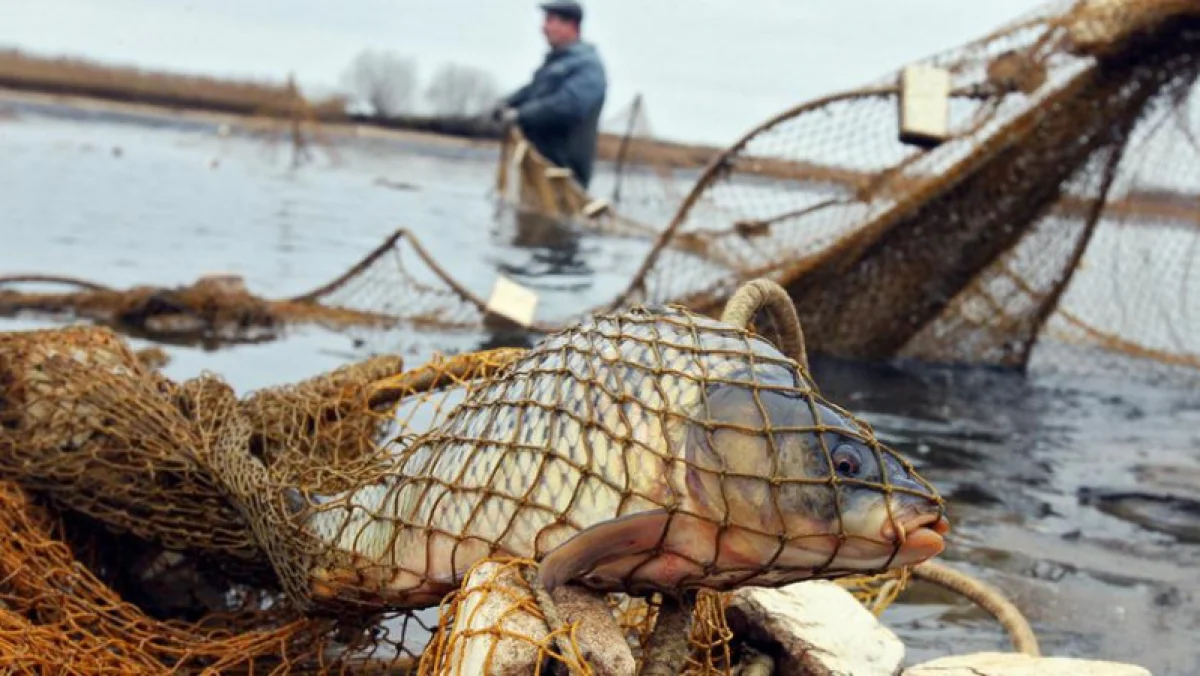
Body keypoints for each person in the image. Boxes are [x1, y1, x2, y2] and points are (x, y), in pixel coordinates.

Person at [494, 1, 607, 189]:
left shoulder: (588, 67)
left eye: (550, 21)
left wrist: (520, 115)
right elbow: (531, 91)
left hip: (564, 172)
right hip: (539, 166)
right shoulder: (553, 65)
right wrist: (505, 103)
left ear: (571, 26)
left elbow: (569, 105)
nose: (544, 28)